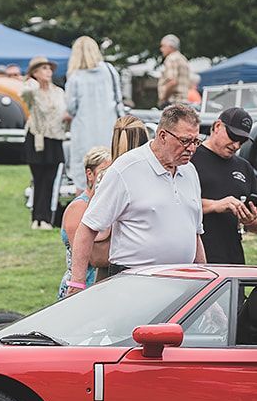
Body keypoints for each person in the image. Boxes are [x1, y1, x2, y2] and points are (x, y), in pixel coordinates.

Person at [68, 103, 205, 287]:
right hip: (135, 282)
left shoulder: (190, 171)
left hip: (182, 281)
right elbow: (88, 228)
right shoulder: (126, 169)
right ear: (163, 135)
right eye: (185, 141)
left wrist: (204, 281)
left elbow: (194, 234)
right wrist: (77, 283)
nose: (191, 148)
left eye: (196, 141)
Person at [192, 107, 257, 264]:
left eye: (242, 140)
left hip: (232, 259)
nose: (236, 145)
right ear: (217, 126)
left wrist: (250, 219)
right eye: (233, 136)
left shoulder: (244, 167)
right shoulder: (191, 158)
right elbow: (175, 204)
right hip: (197, 258)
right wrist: (215, 205)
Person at [21, 56, 68, 230]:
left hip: (55, 138)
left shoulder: (59, 92)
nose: (47, 72)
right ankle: (36, 218)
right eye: (43, 69)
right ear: (35, 73)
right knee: (38, 178)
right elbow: (24, 93)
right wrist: (32, 82)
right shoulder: (32, 91)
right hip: (37, 137)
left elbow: (64, 111)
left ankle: (46, 218)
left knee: (50, 178)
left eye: (49, 69)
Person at [65, 35, 125, 165]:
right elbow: (118, 99)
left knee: (84, 169)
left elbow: (71, 108)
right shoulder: (110, 70)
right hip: (109, 128)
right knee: (110, 166)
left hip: (83, 131)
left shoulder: (74, 77)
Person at [59, 147, 111, 299]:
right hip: (81, 287)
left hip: (101, 286)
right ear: (89, 174)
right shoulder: (79, 207)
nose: (108, 177)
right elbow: (91, 257)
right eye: (104, 171)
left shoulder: (105, 204)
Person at [157, 35, 192, 106]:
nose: (161, 49)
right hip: (183, 102)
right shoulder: (183, 59)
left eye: (163, 46)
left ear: (170, 46)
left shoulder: (171, 58)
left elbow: (172, 81)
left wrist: (164, 99)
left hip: (172, 102)